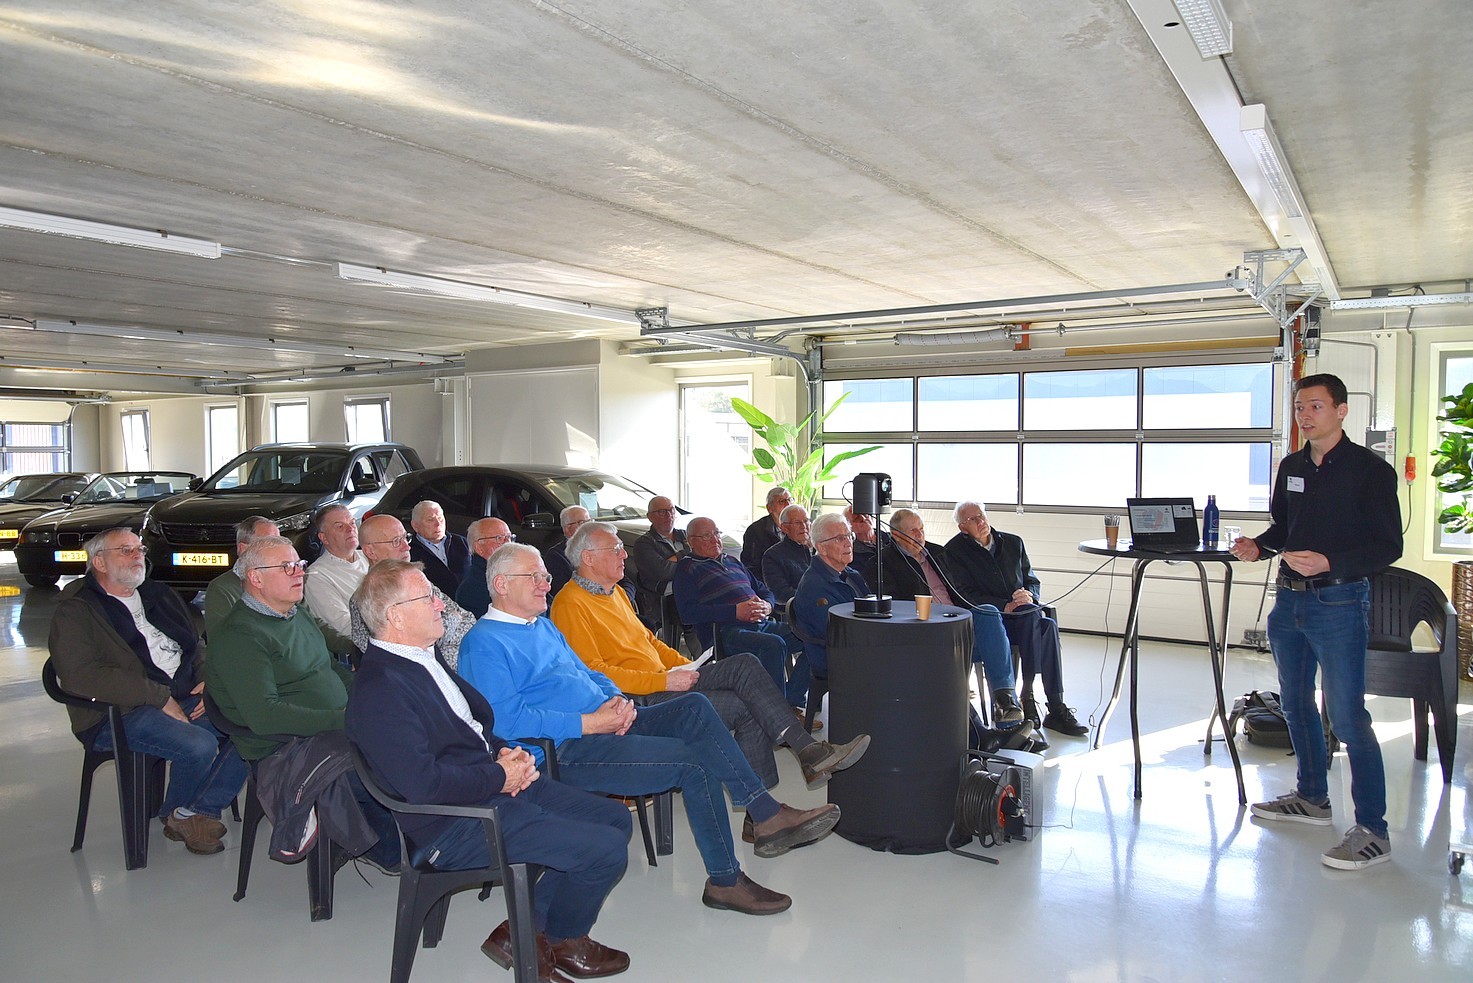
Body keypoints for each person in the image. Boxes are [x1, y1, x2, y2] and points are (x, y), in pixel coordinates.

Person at [458, 543, 842, 916]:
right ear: (502, 584)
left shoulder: (540, 626)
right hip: (564, 750)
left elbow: (587, 672)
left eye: (545, 575)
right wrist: (592, 722)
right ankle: (728, 877)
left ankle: (763, 813)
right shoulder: (484, 643)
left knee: (695, 706)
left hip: (608, 721)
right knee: (697, 764)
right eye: (535, 577)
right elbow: (507, 721)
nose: (546, 583)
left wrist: (615, 700)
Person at [347, 560, 632, 980]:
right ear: (396, 617)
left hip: (488, 787)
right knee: (604, 850)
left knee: (614, 819)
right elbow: (422, 785)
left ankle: (528, 933)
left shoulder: (422, 657)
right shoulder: (381, 690)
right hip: (454, 824)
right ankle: (561, 940)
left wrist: (506, 753)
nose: (441, 605)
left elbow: (473, 727)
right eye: (428, 597)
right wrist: (501, 775)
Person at [550, 520, 868, 796]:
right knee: (749, 696)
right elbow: (595, 674)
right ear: (588, 558)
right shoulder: (570, 604)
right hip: (639, 698)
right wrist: (664, 680)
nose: (624, 555)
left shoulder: (615, 592)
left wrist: (687, 665)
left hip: (665, 679)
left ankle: (792, 771)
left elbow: (649, 642)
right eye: (617, 549)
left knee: (747, 671)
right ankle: (787, 779)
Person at [1231, 373, 1402, 870]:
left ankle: (1373, 830)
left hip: (1340, 602)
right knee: (1295, 704)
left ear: (1341, 410)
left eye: (1316, 406)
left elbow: (1388, 545)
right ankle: (1311, 798)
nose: (1305, 415)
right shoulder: (1291, 466)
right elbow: (1284, 528)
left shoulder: (1371, 471)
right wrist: (1259, 546)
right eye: (1300, 407)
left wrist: (1331, 563)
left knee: (1347, 717)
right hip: (1289, 603)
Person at [204, 536, 399, 871]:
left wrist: (369, 699)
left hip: (329, 727)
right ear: (256, 578)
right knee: (381, 756)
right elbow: (266, 716)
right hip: (284, 747)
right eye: (287, 567)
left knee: (406, 725)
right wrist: (345, 719)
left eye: (299, 564)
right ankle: (392, 851)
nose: (299, 573)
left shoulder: (294, 613)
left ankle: (424, 832)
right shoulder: (240, 636)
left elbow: (330, 668)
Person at [49, 527, 247, 856]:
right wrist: (157, 696)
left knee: (250, 723)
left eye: (139, 549)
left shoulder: (158, 595)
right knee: (199, 744)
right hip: (118, 712)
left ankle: (192, 811)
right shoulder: (78, 609)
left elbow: (195, 646)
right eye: (125, 550)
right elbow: (80, 675)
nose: (137, 556)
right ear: (99, 562)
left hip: (181, 692)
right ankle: (185, 815)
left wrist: (208, 678)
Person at [863, 509, 1025, 730]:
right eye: (913, 531)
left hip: (960, 626)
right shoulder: (881, 564)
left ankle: (1005, 705)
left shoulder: (939, 553)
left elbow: (962, 592)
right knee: (979, 639)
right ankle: (985, 731)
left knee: (988, 612)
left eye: (922, 529)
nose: (920, 535)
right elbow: (893, 608)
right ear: (896, 535)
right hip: (927, 636)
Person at [945, 502, 1088, 738]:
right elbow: (962, 594)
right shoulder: (953, 552)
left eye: (981, 515)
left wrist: (1028, 595)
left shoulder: (1013, 542)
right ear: (962, 527)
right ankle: (1044, 703)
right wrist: (1005, 605)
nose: (980, 521)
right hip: (992, 622)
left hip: (1022, 617)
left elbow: (1031, 580)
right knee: (1043, 625)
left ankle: (1039, 699)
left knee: (1042, 621)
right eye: (972, 519)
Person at [673, 516, 808, 715]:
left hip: (761, 622)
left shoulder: (732, 561)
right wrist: (735, 611)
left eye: (716, 533)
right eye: (707, 536)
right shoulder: (687, 569)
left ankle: (790, 701)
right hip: (726, 631)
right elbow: (688, 613)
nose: (715, 539)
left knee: (811, 636)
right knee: (773, 645)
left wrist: (767, 606)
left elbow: (764, 590)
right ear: (691, 541)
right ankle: (778, 716)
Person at [353, 514, 477, 670]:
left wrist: (440, 634)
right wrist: (452, 620)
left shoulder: (416, 580)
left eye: (406, 538)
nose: (407, 546)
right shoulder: (364, 600)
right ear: (370, 551)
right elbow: (406, 658)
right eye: (396, 541)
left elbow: (468, 618)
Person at [791, 512, 869, 691]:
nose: (848, 543)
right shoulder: (815, 586)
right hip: (836, 658)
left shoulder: (851, 574)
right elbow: (837, 633)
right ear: (822, 548)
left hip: (861, 645)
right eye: (840, 538)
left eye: (849, 535)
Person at [301, 503, 369, 658]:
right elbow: (343, 626)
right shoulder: (316, 576)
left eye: (352, 523)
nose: (350, 529)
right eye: (340, 526)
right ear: (323, 538)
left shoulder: (368, 556)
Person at [543, 505, 637, 605]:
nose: (589, 526)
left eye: (589, 521)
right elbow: (562, 592)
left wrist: (623, 599)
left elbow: (626, 581)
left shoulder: (601, 548)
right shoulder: (556, 556)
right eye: (582, 523)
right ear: (567, 529)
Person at [204, 515, 279, 638]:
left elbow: (308, 625)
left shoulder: (286, 581)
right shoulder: (222, 590)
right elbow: (222, 640)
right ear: (243, 549)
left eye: (279, 543)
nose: (278, 551)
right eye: (268, 544)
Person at [630, 495, 688, 626]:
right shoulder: (644, 543)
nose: (669, 515)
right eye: (662, 512)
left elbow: (704, 560)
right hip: (666, 597)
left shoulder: (685, 535)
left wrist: (675, 559)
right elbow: (662, 572)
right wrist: (685, 556)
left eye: (671, 510)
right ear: (650, 516)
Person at [408, 500, 473, 597]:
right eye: (430, 520)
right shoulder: (409, 552)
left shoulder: (461, 542)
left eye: (440, 518)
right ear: (415, 526)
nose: (438, 524)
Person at [456, 516, 517, 618]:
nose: (508, 543)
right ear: (479, 547)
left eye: (510, 537)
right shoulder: (472, 590)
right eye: (500, 538)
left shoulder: (516, 570)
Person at [760, 503, 813, 603]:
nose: (803, 526)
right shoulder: (773, 555)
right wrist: (813, 598)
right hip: (800, 606)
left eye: (806, 521)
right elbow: (780, 593)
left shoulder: (819, 548)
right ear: (784, 528)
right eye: (797, 522)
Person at [739, 486, 791, 580]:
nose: (788, 504)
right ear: (769, 508)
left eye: (789, 500)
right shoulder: (755, 530)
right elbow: (752, 567)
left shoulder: (800, 525)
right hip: (769, 580)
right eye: (781, 501)